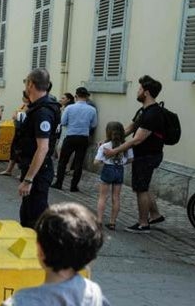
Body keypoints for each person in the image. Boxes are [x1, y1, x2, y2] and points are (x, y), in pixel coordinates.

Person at [104, 75, 166, 233]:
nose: (137, 91)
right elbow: (130, 128)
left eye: (139, 89)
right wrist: (109, 141)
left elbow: (137, 140)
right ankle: (155, 214)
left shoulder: (153, 114)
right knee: (143, 186)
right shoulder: (144, 111)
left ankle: (143, 223)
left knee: (140, 189)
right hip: (145, 155)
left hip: (148, 156)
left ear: (146, 93)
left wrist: (114, 151)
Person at [18, 68, 60, 228]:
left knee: (36, 219)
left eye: (26, 82)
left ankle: (54, 250)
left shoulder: (43, 111)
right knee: (28, 216)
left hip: (39, 172)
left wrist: (29, 179)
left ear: (30, 84)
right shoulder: (39, 107)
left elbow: (42, 148)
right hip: (36, 168)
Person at [53, 87, 97, 192]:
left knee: (63, 161)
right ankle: (73, 186)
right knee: (79, 162)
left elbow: (63, 122)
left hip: (71, 136)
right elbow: (94, 124)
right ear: (86, 97)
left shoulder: (69, 108)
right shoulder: (92, 109)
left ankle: (59, 183)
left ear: (76, 96)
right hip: (83, 137)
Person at [94, 121, 134, 231]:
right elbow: (131, 159)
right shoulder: (126, 146)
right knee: (116, 197)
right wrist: (122, 161)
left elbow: (96, 162)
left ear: (108, 133)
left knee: (103, 197)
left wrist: (103, 158)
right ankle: (112, 223)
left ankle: (99, 220)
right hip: (119, 170)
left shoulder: (105, 146)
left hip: (108, 169)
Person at [0, 91, 29, 177]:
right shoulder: (23, 105)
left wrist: (17, 114)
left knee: (21, 151)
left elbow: (18, 116)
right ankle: (9, 170)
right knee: (14, 149)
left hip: (23, 131)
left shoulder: (29, 106)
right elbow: (15, 115)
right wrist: (16, 114)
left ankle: (23, 173)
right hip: (18, 129)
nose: (22, 98)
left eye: (24, 97)